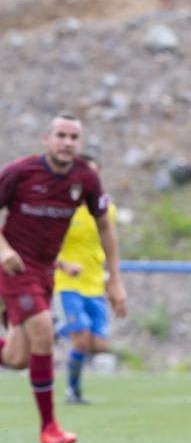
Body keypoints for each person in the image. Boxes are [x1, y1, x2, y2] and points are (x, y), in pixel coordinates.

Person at [0, 112, 127, 443]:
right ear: (47, 139)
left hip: (45, 271)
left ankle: (49, 423)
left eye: (74, 137)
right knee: (44, 329)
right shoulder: (20, 171)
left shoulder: (85, 179)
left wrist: (115, 279)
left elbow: (105, 226)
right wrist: (2, 248)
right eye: (61, 136)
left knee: (16, 359)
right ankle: (50, 427)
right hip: (15, 268)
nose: (68, 143)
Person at [54, 153, 118, 405]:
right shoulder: (61, 208)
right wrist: (62, 263)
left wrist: (111, 277)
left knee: (98, 344)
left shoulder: (107, 209)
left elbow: (107, 241)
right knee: (80, 340)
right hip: (67, 284)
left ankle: (56, 329)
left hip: (94, 284)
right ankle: (73, 391)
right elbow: (44, 245)